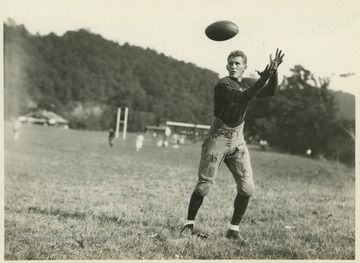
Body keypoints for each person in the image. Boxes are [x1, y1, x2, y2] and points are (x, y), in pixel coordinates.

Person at [180, 48, 284, 243]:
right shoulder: (223, 84)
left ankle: (233, 230)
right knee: (203, 187)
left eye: (237, 63)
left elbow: (271, 91)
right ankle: (188, 224)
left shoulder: (246, 83)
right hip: (217, 137)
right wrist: (264, 78)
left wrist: (274, 71)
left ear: (245, 67)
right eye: (231, 63)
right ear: (227, 66)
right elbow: (242, 97)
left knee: (247, 188)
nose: (233, 66)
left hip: (237, 139)